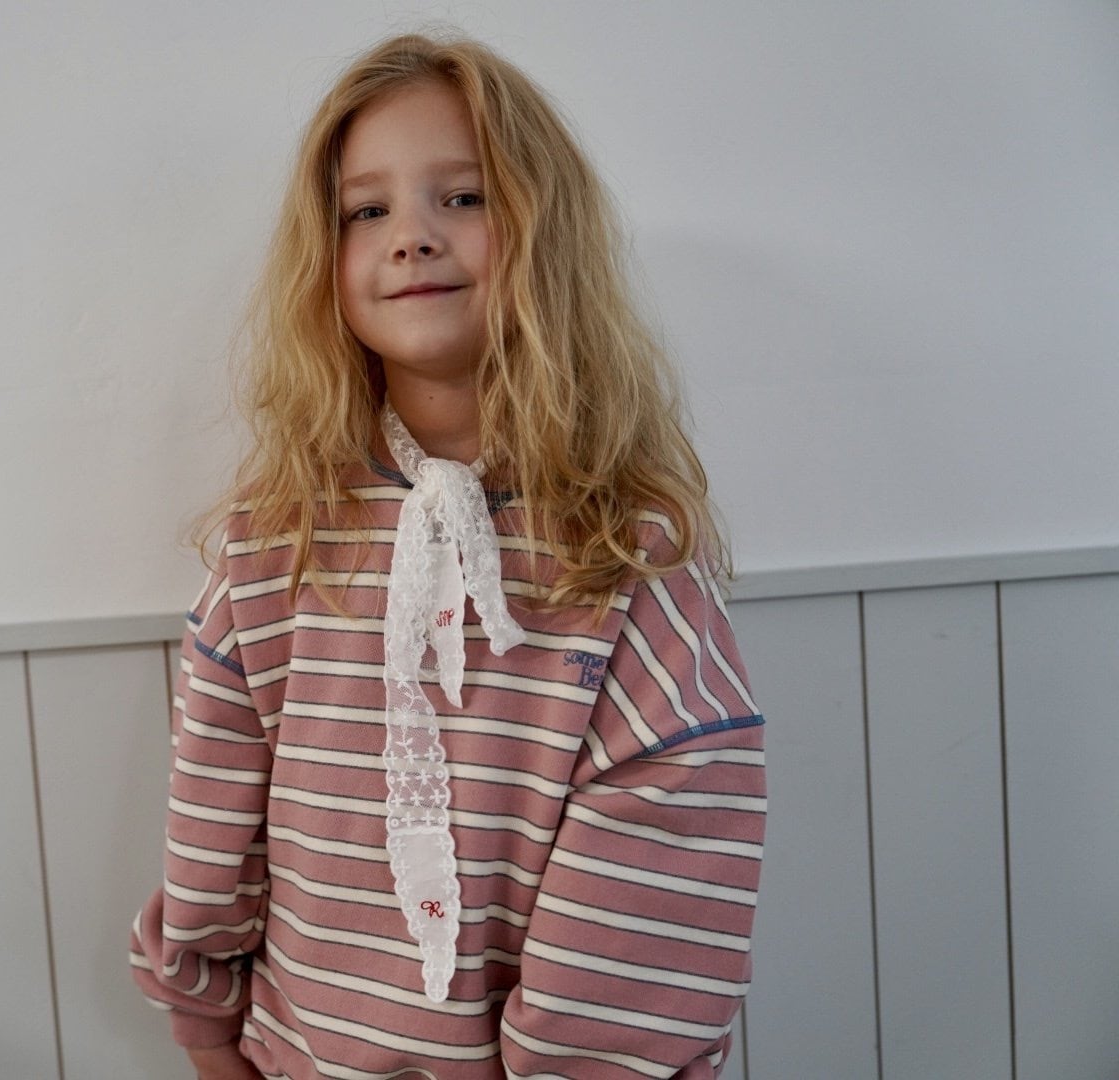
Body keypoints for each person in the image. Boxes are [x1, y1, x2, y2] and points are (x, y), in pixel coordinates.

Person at [129, 30, 765, 1080]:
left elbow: (657, 879)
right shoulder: (272, 545)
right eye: (366, 211)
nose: (412, 238)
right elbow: (213, 827)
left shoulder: (625, 559)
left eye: (461, 198)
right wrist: (205, 1025)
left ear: (543, 233)